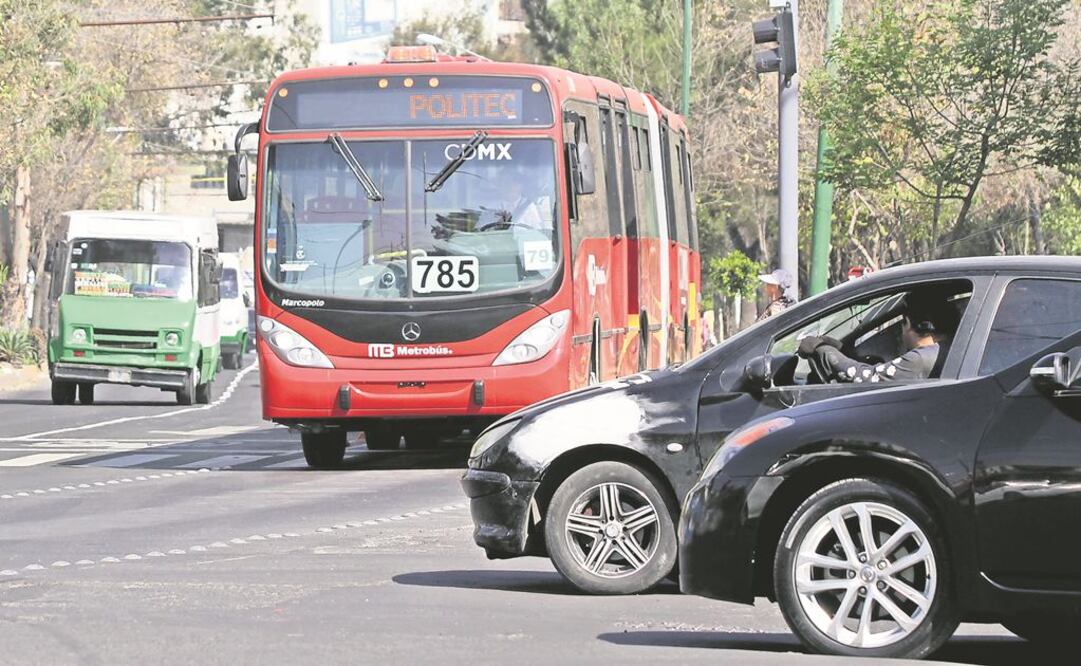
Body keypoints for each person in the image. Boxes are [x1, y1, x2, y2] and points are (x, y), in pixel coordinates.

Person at [798, 301, 947, 384]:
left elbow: (868, 377)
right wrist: (841, 349)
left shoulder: (920, 359)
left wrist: (823, 350)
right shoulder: (943, 349)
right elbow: (881, 372)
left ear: (907, 323)